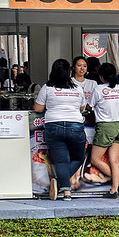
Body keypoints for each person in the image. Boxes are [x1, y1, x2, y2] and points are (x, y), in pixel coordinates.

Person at [33, 58, 86, 201]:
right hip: (75, 125)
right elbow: (82, 108)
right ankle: (61, 184)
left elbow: (38, 108)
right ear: (69, 72)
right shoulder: (77, 88)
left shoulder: (47, 88)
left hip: (53, 125)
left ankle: (65, 190)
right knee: (79, 157)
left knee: (62, 161)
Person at [86, 63, 119, 198]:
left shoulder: (98, 89)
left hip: (105, 126)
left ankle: (117, 181)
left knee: (95, 159)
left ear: (101, 76)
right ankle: (114, 189)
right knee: (114, 160)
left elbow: (88, 107)